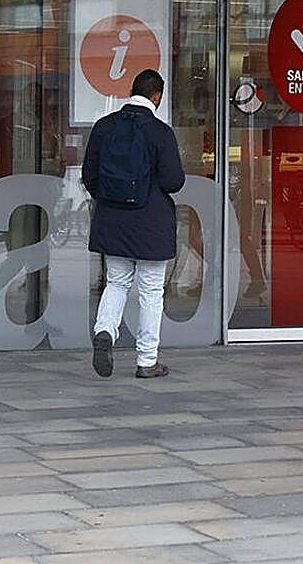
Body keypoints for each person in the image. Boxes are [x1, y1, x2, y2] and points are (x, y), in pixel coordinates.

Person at [84, 69, 185, 379]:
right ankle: (146, 360)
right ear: (157, 97)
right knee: (151, 290)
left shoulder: (104, 127)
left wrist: (110, 199)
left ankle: (105, 331)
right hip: (150, 222)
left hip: (113, 220)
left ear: (133, 91)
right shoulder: (160, 132)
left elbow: (89, 176)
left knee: (116, 282)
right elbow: (173, 181)